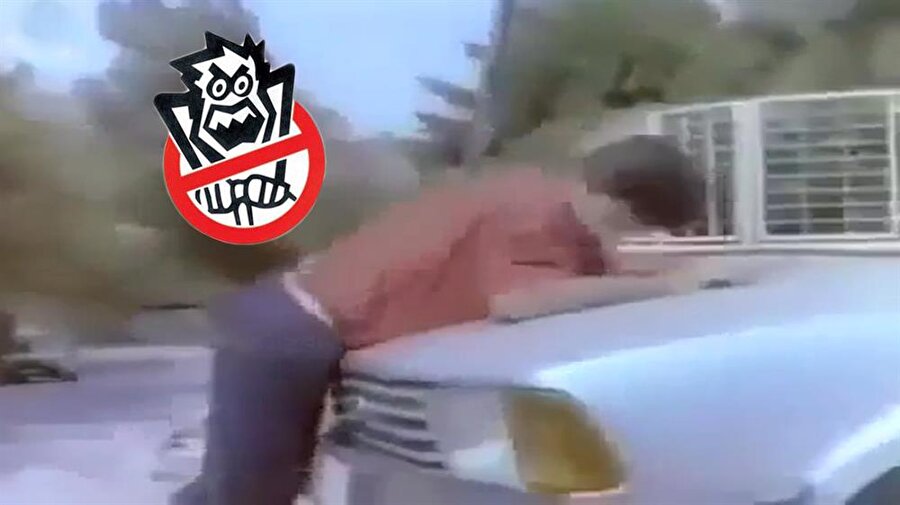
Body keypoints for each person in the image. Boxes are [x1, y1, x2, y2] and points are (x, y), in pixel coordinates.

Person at [172, 135, 707, 505]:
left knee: (249, 485)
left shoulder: (539, 201)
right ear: (613, 199)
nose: (623, 237)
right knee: (248, 492)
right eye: (633, 225)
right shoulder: (537, 214)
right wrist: (664, 287)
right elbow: (521, 301)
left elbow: (586, 277)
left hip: (292, 328)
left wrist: (670, 278)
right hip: (288, 331)